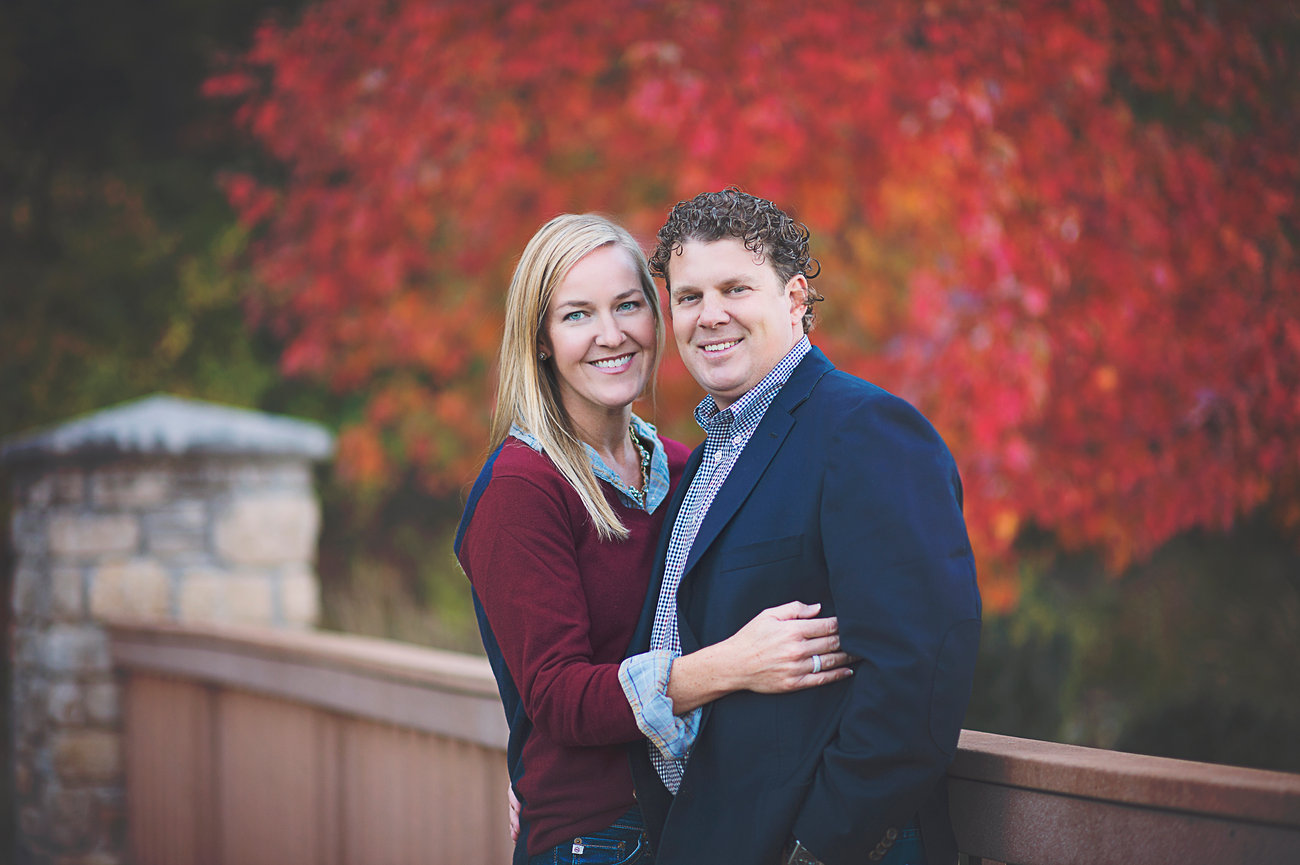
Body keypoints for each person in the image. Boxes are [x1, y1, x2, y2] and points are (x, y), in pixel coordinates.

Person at [454, 213, 853, 865]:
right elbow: (555, 696)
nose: (611, 334)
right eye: (577, 315)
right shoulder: (522, 488)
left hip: (699, 821)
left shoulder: (684, 466)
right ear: (542, 340)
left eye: (628, 305)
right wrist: (732, 665)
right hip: (599, 837)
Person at [625, 189, 982, 865]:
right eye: (689, 296)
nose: (710, 315)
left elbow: (919, 672)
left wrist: (819, 846)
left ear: (794, 299)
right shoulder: (703, 461)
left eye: (735, 288)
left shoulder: (865, 430)